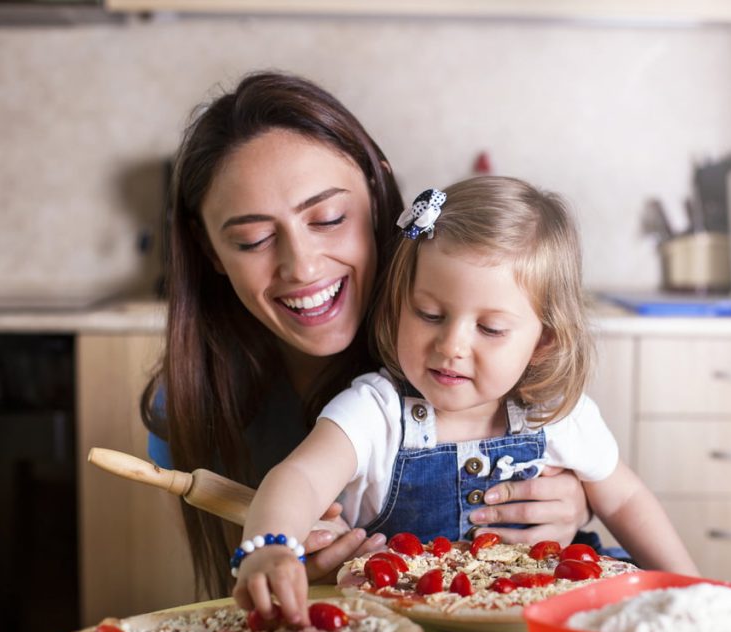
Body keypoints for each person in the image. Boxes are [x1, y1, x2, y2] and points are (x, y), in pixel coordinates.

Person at [141, 71, 594, 600]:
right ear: (210, 250)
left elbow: (594, 469)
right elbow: (247, 581)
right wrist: (285, 573)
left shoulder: (463, 333)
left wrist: (576, 502)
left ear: (378, 192)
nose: (302, 266)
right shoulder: (191, 407)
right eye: (254, 238)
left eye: (329, 218)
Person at [233, 176, 698, 624]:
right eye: (429, 314)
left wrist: (693, 592)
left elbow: (627, 501)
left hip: (539, 630)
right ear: (399, 303)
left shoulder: (556, 416)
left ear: (543, 342)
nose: (451, 345)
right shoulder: (374, 412)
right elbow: (299, 478)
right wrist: (271, 547)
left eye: (490, 329)